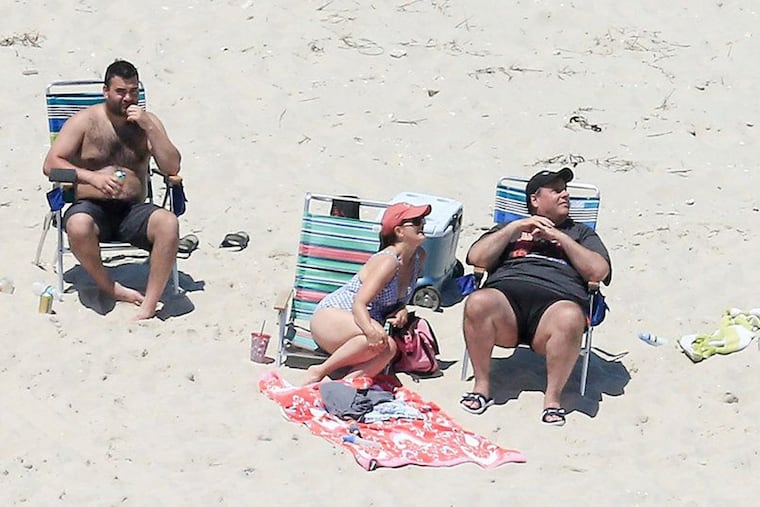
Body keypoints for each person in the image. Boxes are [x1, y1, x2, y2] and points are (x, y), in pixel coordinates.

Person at [461, 167, 611, 425]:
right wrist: (516, 227)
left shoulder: (581, 234)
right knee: (478, 302)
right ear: (535, 200)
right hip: (505, 310)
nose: (566, 195)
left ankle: (552, 400)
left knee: (570, 316)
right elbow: (476, 258)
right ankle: (481, 386)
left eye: (566, 190)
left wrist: (560, 238)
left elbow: (599, 271)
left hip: (554, 314)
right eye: (557, 190)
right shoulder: (508, 229)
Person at [42, 60, 182, 320]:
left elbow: (172, 166)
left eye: (133, 91)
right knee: (78, 225)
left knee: (168, 224)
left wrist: (150, 128)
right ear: (106, 91)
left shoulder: (148, 124)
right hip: (93, 208)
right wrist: (91, 178)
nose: (127, 98)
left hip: (134, 210)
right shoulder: (85, 121)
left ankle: (149, 305)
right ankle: (110, 287)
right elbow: (51, 164)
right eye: (120, 91)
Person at [304, 202, 431, 384]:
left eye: (423, 219)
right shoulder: (388, 261)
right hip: (333, 317)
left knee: (390, 347)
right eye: (416, 221)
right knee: (380, 339)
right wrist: (371, 332)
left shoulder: (419, 257)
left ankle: (348, 384)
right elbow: (359, 304)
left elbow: (399, 298)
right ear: (399, 231)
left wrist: (401, 309)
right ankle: (318, 371)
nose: (423, 224)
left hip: (359, 327)